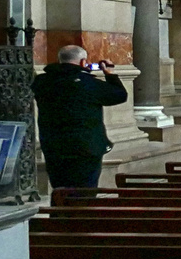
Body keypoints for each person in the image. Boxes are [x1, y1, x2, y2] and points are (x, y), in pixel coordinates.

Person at [32, 44, 129, 191]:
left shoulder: (42, 82)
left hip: (54, 146)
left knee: (60, 189)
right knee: (84, 191)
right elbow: (119, 95)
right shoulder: (89, 84)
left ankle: (60, 212)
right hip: (86, 148)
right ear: (83, 62)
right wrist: (109, 73)